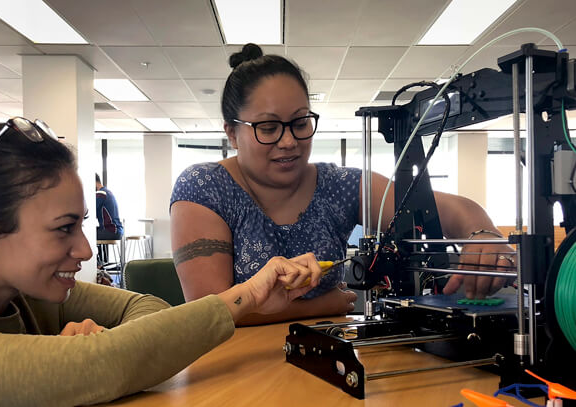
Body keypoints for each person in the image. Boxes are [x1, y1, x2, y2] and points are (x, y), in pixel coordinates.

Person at [0, 118, 323, 406]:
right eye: (63, 228)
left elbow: (145, 306)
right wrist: (249, 295)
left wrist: (109, 346)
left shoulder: (26, 295)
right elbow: (105, 364)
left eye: (81, 225)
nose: (85, 251)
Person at [169, 43, 515, 326]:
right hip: (237, 368)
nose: (289, 141)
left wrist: (483, 235)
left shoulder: (339, 185)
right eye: (269, 127)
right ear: (232, 132)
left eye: (300, 122)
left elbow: (445, 209)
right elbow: (207, 309)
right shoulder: (204, 187)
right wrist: (321, 306)